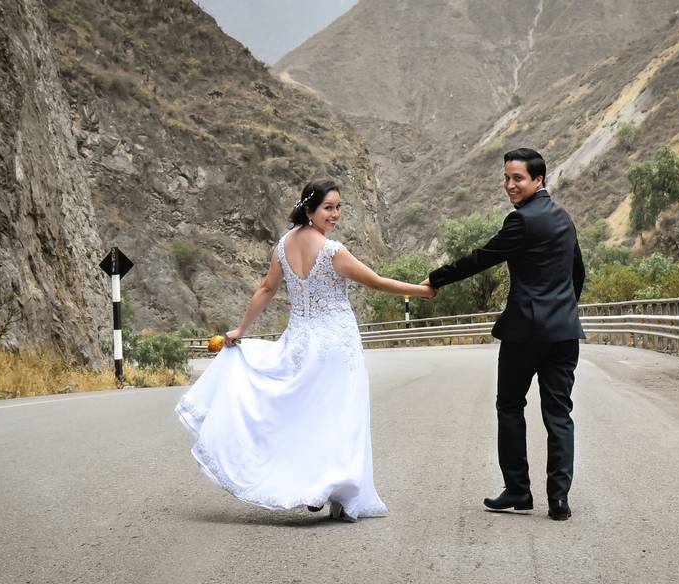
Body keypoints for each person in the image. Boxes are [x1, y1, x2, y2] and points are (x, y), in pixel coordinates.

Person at [176, 178, 435, 522]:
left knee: (307, 416)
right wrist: (422, 291)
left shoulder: (283, 246)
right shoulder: (332, 252)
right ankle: (333, 490)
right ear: (309, 209)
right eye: (329, 207)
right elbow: (375, 281)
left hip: (300, 340)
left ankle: (317, 485)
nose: (336, 214)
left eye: (339, 207)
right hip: (336, 345)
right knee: (340, 417)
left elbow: (267, 288)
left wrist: (242, 329)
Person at [422, 148, 585, 521]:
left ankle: (518, 491)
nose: (510, 185)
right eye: (507, 178)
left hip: (525, 333)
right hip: (564, 333)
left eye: (518, 178)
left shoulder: (521, 221)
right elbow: (577, 271)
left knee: (511, 407)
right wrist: (564, 309)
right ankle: (559, 500)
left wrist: (436, 279)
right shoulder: (564, 218)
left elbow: (482, 257)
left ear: (538, 180)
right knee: (559, 414)